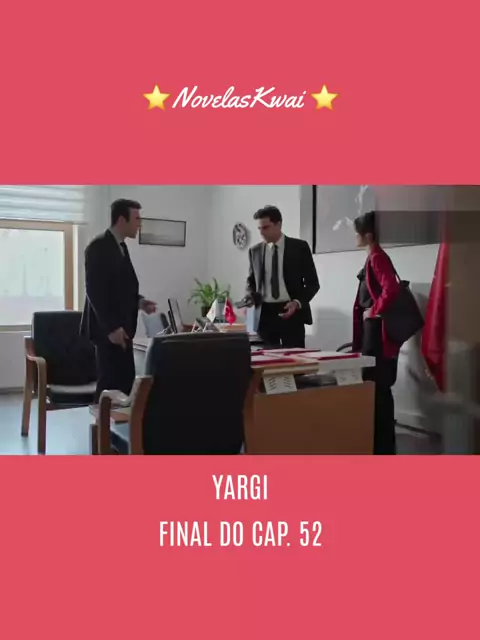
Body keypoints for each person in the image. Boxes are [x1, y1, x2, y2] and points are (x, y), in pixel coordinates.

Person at [80, 199, 156, 402]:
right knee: (108, 386)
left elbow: (121, 288)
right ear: (122, 220)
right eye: (137, 218)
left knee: (124, 385)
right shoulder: (98, 247)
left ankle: (116, 423)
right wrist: (112, 328)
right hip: (108, 332)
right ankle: (100, 423)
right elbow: (95, 291)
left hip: (123, 330)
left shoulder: (120, 246)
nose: (140, 224)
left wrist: (140, 302)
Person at [352, 211, 401, 454]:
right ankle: (381, 445)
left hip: (377, 334)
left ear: (368, 235)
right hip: (374, 333)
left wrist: (374, 310)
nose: (355, 237)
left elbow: (391, 288)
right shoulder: (375, 256)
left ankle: (381, 447)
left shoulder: (377, 257)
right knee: (377, 387)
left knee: (377, 386)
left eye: (357, 233)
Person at [244, 205, 320, 348]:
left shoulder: (299, 248)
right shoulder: (255, 251)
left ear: (278, 224)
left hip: (291, 313)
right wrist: (249, 296)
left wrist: (297, 302)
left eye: (265, 228)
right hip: (264, 315)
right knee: (266, 359)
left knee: (295, 358)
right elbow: (251, 281)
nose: (261, 233)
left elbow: (313, 283)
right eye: (259, 229)